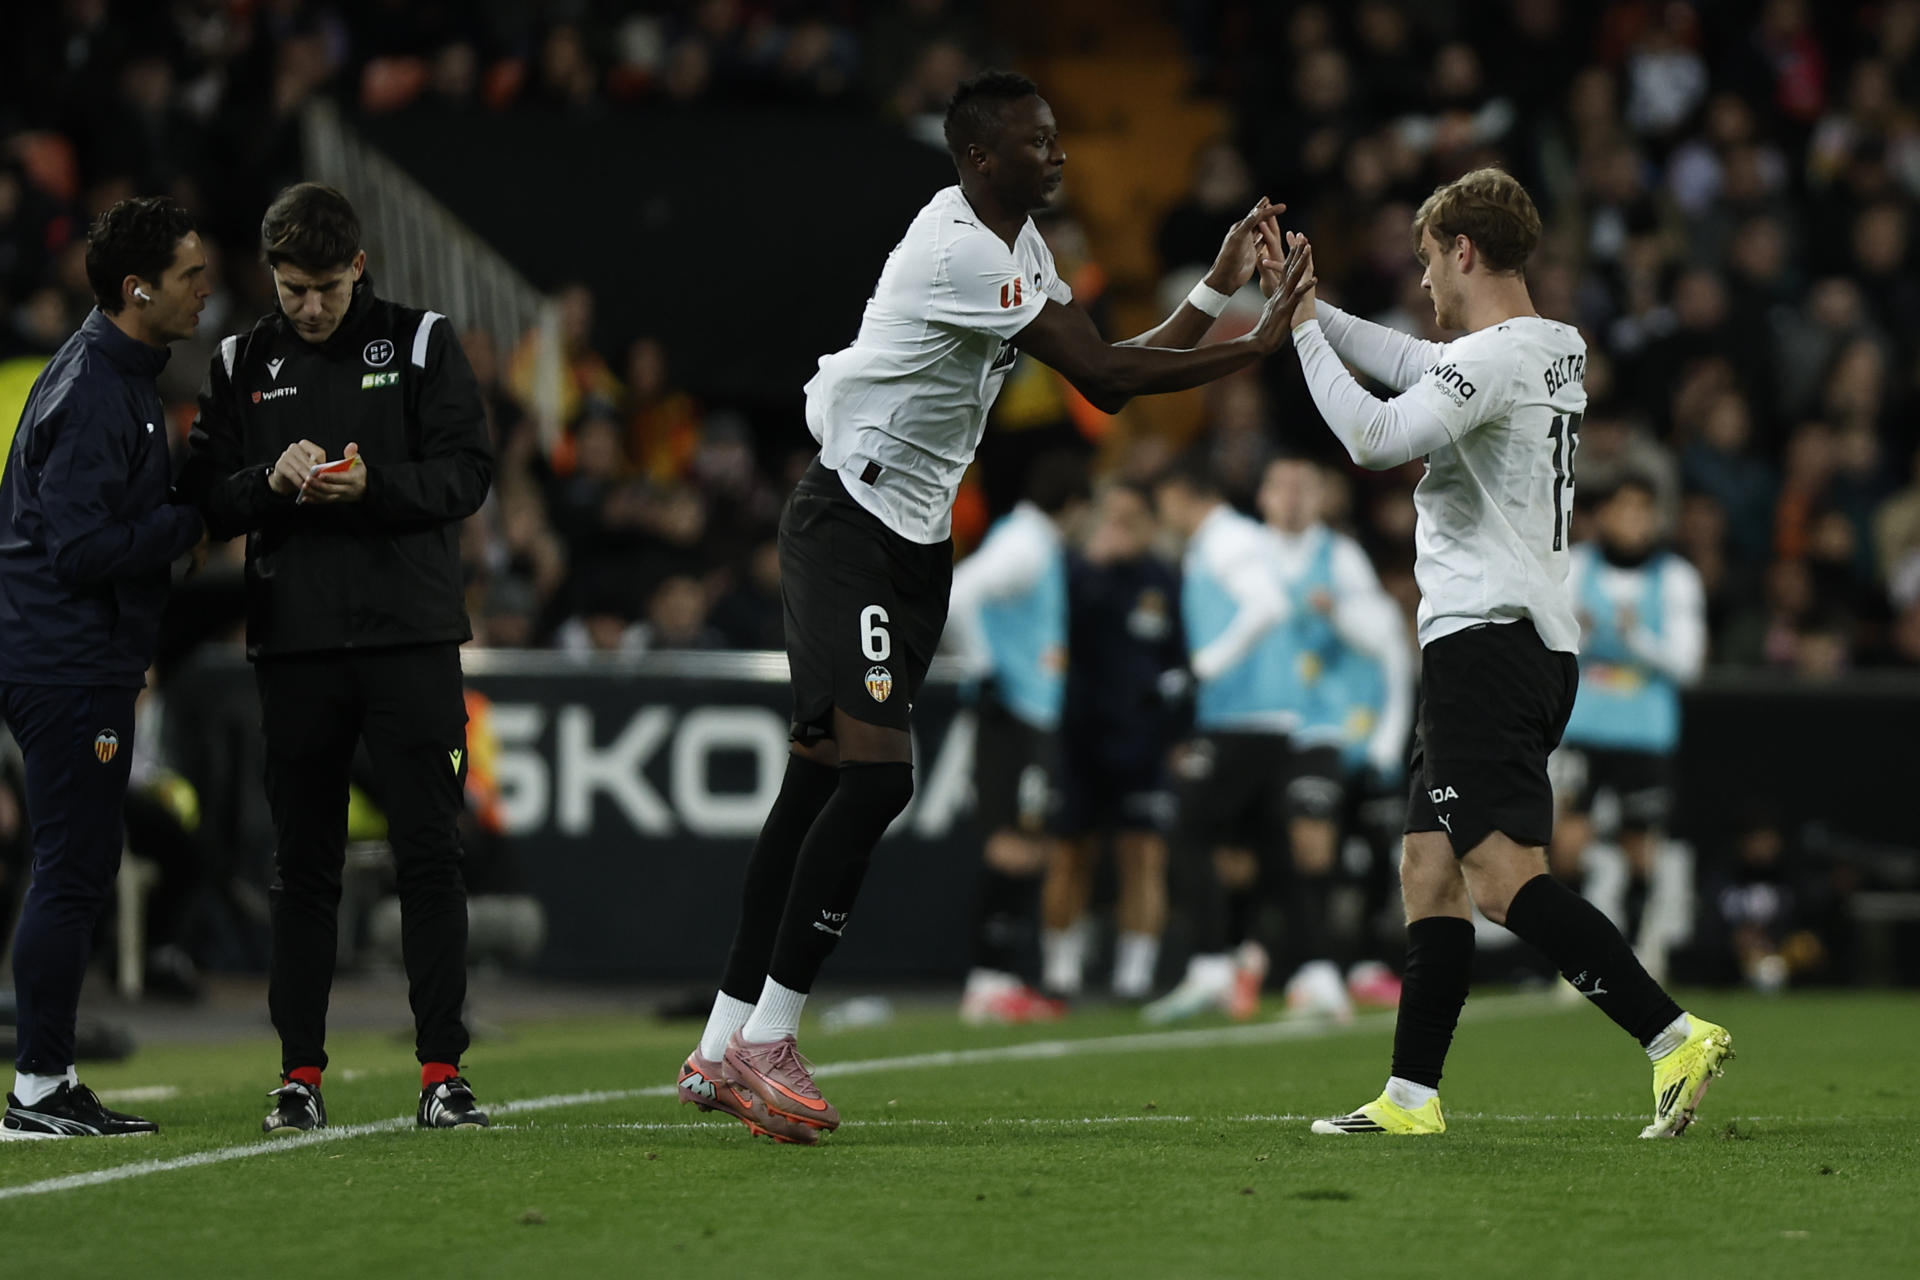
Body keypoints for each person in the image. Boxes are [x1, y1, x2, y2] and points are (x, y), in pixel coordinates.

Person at [677, 68, 1316, 1146]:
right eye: (1038, 141)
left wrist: (1214, 298)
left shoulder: (1015, 243)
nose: (1058, 155)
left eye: (1058, 137)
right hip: (851, 526)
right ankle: (765, 1040)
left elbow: (1113, 356)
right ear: (980, 158)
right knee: (877, 775)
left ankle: (718, 1041)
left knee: (818, 786)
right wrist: (1261, 339)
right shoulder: (962, 249)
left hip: (915, 541)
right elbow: (1106, 382)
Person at [1273, 167, 1732, 1139]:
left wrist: (1301, 333)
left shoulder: (1490, 364)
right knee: (1427, 869)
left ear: (1464, 250)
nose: (1425, 283)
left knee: (1499, 877)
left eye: (1429, 260)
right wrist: (1311, 304)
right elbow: (1412, 360)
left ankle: (1671, 1034)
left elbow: (1371, 433)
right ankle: (1410, 1096)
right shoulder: (1551, 346)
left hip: (1489, 643)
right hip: (1504, 641)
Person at [180, 184, 494, 1134]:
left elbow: (468, 472)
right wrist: (263, 485)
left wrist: (373, 486)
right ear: (270, 277)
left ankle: (442, 1072)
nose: (308, 306)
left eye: (323, 286)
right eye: (291, 288)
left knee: (429, 856)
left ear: (358, 266)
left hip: (410, 640)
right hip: (298, 646)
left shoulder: (423, 342)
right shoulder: (241, 359)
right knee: (303, 866)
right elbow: (201, 493)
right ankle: (299, 1078)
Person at [0, 197, 209, 1138]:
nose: (206, 289)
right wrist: (188, 523)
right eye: (189, 276)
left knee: (78, 863)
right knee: (72, 869)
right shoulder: (93, 388)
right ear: (139, 289)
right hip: (63, 658)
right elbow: (80, 550)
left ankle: (50, 1077)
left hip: (66, 653)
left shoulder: (105, 371)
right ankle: (38, 1087)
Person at [1255, 455, 1413, 1017]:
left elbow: (1386, 641)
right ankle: (1249, 960)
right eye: (1282, 485)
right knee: (1256, 848)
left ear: (1322, 497)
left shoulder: (1340, 559)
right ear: (1264, 495)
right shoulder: (1244, 554)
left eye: (1305, 486)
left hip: (1338, 731)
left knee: (1363, 846)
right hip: (1261, 729)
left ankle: (1356, 963)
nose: (1293, 498)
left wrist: (1387, 740)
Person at [1143, 457, 1290, 1025]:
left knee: (1189, 833)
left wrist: (1203, 669)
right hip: (1257, 716)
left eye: (1164, 506)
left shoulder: (1225, 540)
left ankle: (1210, 965)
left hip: (1243, 716)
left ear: (1183, 494)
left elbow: (1268, 608)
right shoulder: (1230, 540)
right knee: (1250, 847)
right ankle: (1249, 956)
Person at [947, 451, 1090, 1024]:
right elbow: (960, 593)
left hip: (1029, 713)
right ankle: (986, 982)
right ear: (1074, 503)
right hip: (1013, 713)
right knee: (1010, 843)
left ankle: (1001, 977)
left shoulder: (1034, 541)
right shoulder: (1025, 546)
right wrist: (983, 669)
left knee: (1028, 844)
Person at [1550, 474, 1707, 973]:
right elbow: (1549, 640)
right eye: (1623, 509)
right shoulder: (1576, 569)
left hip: (1645, 733)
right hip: (1583, 728)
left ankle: (1637, 955)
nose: (1632, 521)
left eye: (1643, 510)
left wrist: (1634, 636)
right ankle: (1569, 958)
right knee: (1567, 844)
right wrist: (1575, 632)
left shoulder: (1677, 578)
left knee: (1642, 846)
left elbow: (1688, 663)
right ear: (1606, 515)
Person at [1042, 480, 1186, 1003]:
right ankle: (1059, 973)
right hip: (1078, 736)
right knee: (1068, 852)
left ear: (1149, 525)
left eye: (1130, 519)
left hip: (1143, 741)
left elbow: (1179, 659)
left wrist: (1177, 731)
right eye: (1112, 518)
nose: (1119, 529)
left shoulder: (1163, 581)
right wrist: (1092, 568)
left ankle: (1134, 977)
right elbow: (1054, 639)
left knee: (1143, 854)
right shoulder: (1071, 574)